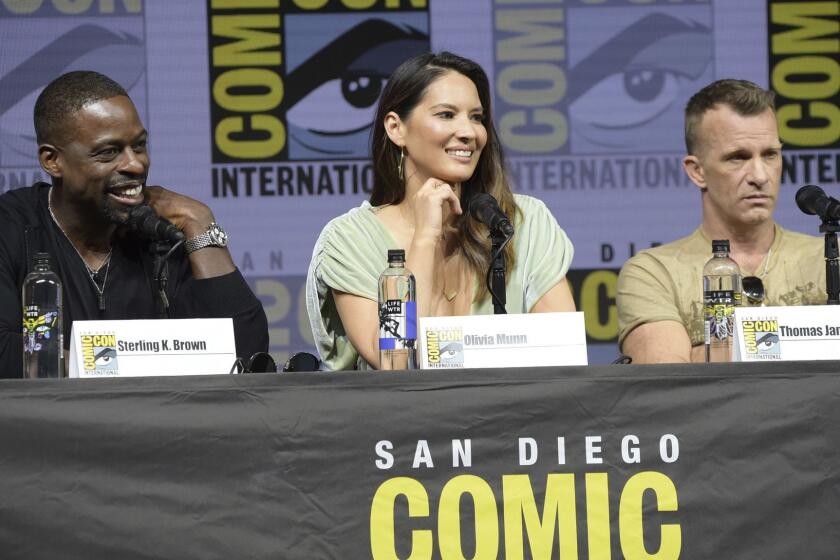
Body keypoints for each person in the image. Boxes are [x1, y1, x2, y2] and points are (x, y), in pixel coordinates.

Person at [306, 52, 576, 370]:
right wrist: (425, 238)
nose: (469, 132)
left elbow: (563, 354)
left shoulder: (522, 222)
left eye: (476, 117)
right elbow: (396, 361)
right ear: (396, 128)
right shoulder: (350, 239)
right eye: (447, 115)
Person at [0, 71, 268, 377]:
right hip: (43, 423)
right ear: (52, 161)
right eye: (109, 152)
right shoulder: (11, 226)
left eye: (139, 146)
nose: (136, 164)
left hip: (153, 423)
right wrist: (125, 364)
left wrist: (200, 221)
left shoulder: (161, 235)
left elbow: (247, 355)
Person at [617, 79, 825, 364]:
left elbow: (697, 374)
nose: (760, 176)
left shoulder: (830, 259)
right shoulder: (654, 272)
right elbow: (669, 388)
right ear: (697, 171)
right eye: (737, 158)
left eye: (770, 155)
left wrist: (703, 353)